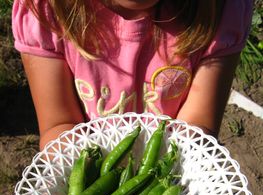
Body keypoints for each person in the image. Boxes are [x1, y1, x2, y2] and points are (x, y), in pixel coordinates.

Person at [12, 0, 253, 150]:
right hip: (86, 166)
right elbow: (59, 125)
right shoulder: (45, 9)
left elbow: (196, 127)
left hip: (173, 168)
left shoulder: (219, 8)